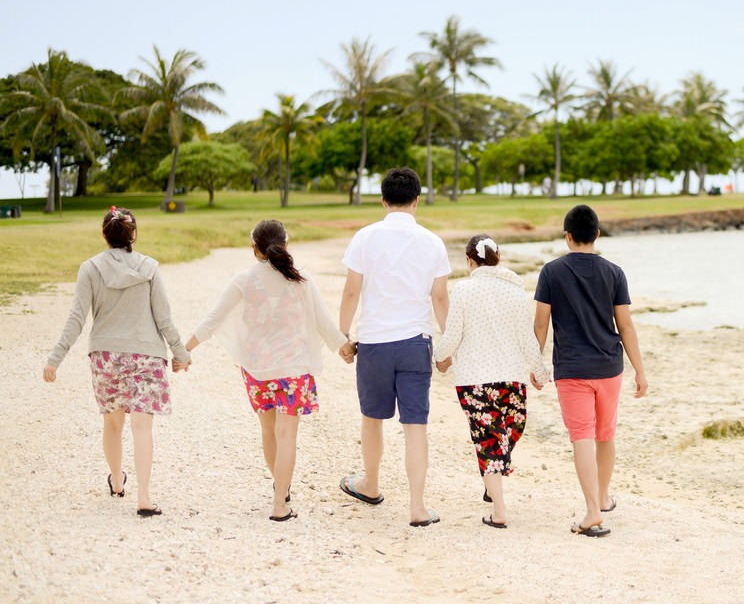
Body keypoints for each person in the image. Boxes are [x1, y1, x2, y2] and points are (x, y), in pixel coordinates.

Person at [185, 220, 348, 522]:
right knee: (287, 436)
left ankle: (281, 492)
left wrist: (185, 350)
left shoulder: (244, 280)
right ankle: (279, 501)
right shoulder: (301, 279)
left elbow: (213, 319)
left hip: (258, 371)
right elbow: (324, 323)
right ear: (285, 245)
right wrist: (344, 347)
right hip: (294, 370)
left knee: (269, 431)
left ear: (254, 249)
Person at [43, 206, 190, 517]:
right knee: (142, 426)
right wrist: (180, 351)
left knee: (112, 423)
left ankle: (118, 482)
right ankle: (145, 497)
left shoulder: (90, 268)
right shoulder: (150, 267)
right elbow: (164, 317)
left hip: (106, 356)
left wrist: (55, 358)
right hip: (147, 354)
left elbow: (76, 319)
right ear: (133, 234)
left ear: (104, 235)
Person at [338, 167, 451, 527]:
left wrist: (342, 336)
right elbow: (440, 297)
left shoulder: (365, 237)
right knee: (415, 424)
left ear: (383, 200)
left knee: (373, 418)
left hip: (373, 343)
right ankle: (417, 507)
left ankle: (370, 484)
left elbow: (352, 291)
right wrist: (447, 346)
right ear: (417, 201)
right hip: (416, 343)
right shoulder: (432, 242)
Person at [532, 204, 649, 538]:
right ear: (597, 235)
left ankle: (593, 510)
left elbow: (541, 324)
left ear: (567, 236)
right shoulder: (614, 272)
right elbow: (625, 325)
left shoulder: (551, 272)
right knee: (605, 434)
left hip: (572, 369)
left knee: (581, 436)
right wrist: (640, 371)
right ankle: (602, 497)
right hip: (610, 367)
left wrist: (535, 365)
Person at [433, 234, 550, 529]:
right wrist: (538, 369)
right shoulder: (507, 292)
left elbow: (453, 333)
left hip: (480, 380)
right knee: (495, 440)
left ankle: (492, 476)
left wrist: (440, 357)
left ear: (470, 261)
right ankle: (499, 510)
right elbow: (527, 338)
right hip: (502, 378)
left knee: (499, 438)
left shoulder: (472, 290)